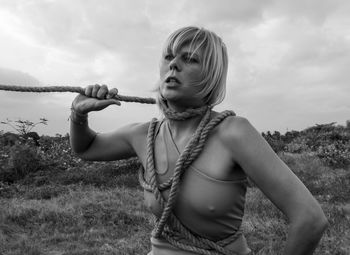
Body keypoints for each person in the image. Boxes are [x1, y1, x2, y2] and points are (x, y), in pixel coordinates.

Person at [70, 26, 328, 255]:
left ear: (211, 75)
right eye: (169, 57)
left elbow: (310, 219)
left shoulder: (233, 133)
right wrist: (78, 113)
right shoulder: (144, 135)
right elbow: (86, 148)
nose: (173, 65)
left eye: (190, 59)